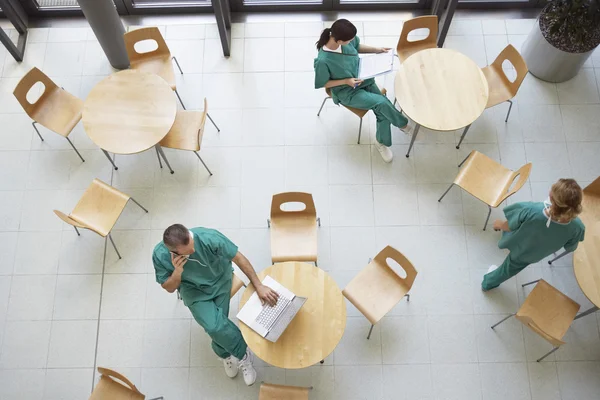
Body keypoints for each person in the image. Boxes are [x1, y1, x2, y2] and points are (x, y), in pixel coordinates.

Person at [152, 224, 279, 386]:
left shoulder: (208, 237)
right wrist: (177, 271)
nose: (193, 250)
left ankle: (225, 353)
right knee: (214, 327)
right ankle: (243, 354)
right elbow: (169, 288)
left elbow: (239, 258)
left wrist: (259, 286)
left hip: (220, 281)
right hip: (193, 290)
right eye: (188, 251)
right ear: (174, 253)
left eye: (192, 244)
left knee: (216, 328)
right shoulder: (159, 255)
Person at [314, 19, 411, 163]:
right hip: (347, 91)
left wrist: (378, 50)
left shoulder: (343, 40)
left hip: (364, 79)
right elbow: (323, 83)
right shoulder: (323, 60)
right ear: (339, 41)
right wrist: (346, 81)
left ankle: (381, 141)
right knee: (381, 102)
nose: (352, 41)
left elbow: (357, 46)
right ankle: (403, 124)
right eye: (349, 40)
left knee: (382, 107)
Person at [482, 178, 586, 291]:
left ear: (551, 197)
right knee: (510, 269)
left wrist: (500, 225)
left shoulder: (531, 210)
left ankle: (488, 282)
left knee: (508, 259)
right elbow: (570, 247)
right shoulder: (578, 227)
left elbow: (510, 225)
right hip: (533, 254)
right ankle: (488, 283)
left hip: (520, 244)